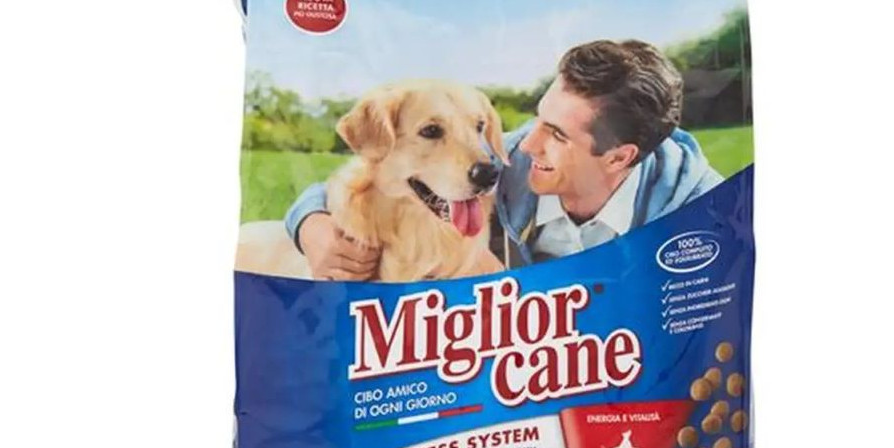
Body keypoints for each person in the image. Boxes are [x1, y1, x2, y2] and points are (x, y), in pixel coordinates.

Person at [290, 39, 722, 278]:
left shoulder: (700, 209)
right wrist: (312, 228)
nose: (527, 145)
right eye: (540, 118)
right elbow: (362, 180)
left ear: (618, 157)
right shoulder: (512, 161)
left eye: (556, 134)